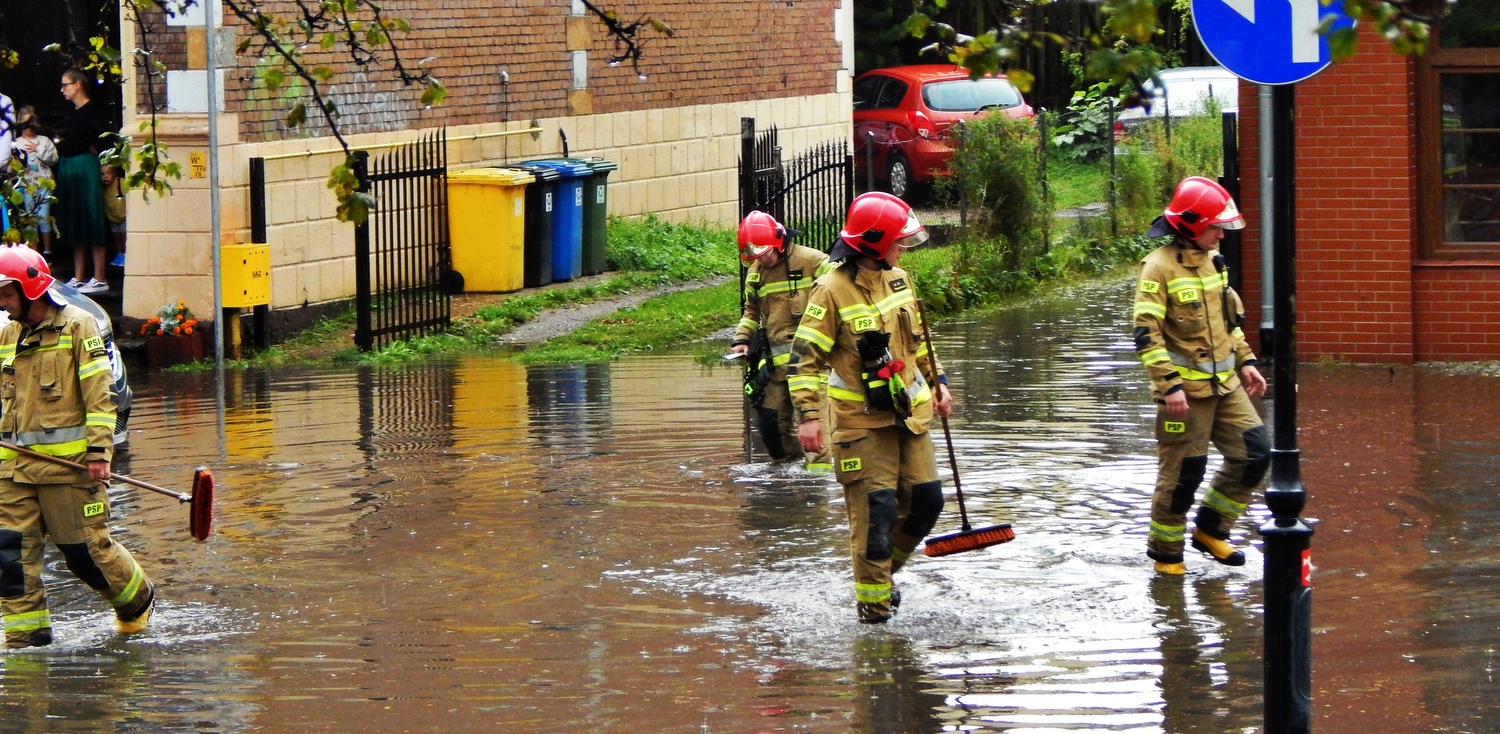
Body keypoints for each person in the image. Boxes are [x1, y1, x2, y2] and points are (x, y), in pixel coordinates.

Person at [788, 191, 952, 624]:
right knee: (875, 515)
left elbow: (919, 343)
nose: (902, 248)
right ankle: (874, 614)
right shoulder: (831, 291)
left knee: (926, 501)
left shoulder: (899, 279)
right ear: (874, 243)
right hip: (862, 424)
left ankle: (885, 576)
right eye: (897, 240)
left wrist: (939, 384)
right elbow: (805, 359)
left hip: (910, 416)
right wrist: (808, 417)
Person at [0, 246, 153, 649]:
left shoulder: (79, 327)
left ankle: (137, 601)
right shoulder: (6, 335)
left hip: (69, 468)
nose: (0, 303)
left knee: (84, 553)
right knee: (10, 559)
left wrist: (100, 454)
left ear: (30, 289)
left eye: (5, 293)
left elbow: (100, 397)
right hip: (12, 471)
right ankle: (25, 639)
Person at [1132, 176, 1269, 576]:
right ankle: (1166, 557)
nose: (1221, 236)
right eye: (1214, 228)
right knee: (1182, 476)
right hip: (1183, 396)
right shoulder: (1157, 268)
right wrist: (1169, 386)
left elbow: (1229, 322)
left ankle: (1211, 531)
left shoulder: (1214, 263)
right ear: (1192, 226)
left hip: (1225, 387)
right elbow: (1147, 334)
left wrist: (1246, 360)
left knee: (1255, 454)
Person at [730, 211, 835, 473]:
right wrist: (742, 340)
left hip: (812, 365)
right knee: (770, 426)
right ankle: (789, 473)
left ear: (779, 240)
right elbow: (751, 311)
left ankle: (818, 489)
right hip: (776, 369)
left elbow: (841, 296)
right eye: (754, 256)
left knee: (814, 430)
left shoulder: (814, 262)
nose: (762, 259)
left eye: (764, 252)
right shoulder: (756, 274)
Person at [53, 69, 113, 295]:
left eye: (65, 85)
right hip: (69, 168)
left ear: (78, 85)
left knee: (91, 218)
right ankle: (78, 276)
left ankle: (99, 276)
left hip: (86, 168)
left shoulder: (93, 111)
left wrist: (106, 165)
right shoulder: (70, 114)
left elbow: (106, 140)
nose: (62, 89)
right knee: (75, 221)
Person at [11, 107, 58, 257]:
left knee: (44, 217)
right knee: (30, 219)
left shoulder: (44, 141)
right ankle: (33, 253)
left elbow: (54, 159)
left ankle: (48, 251)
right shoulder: (16, 143)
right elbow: (12, 167)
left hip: (44, 186)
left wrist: (39, 149)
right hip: (27, 187)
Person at [102, 165, 126, 267]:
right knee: (116, 236)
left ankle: (126, 255)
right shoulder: (102, 188)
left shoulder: (121, 182)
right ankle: (119, 254)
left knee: (124, 235)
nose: (105, 177)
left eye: (109, 173)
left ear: (115, 174)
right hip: (112, 217)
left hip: (124, 216)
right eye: (102, 174)